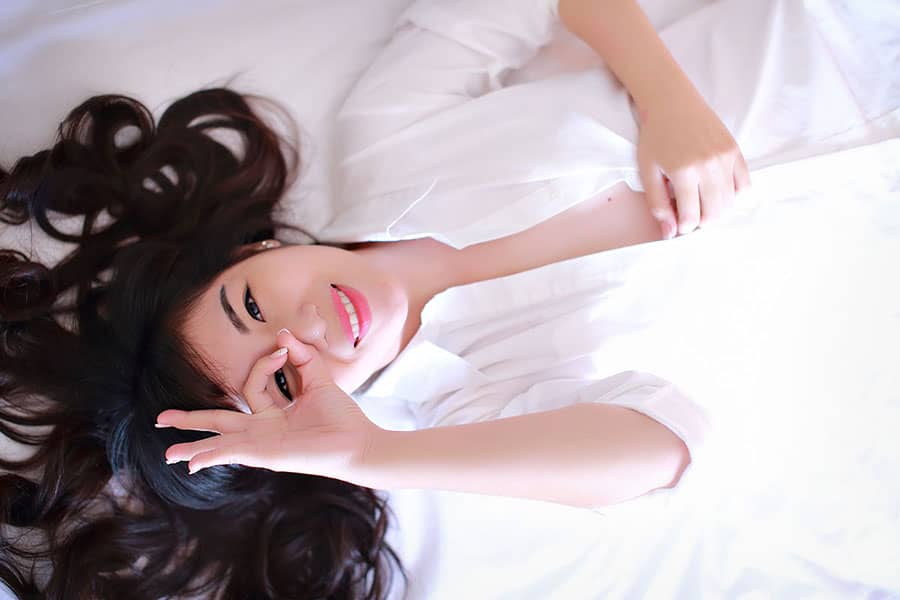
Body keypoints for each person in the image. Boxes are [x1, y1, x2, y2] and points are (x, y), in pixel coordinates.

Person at [0, 0, 750, 598]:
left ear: (251, 253)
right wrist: (371, 456)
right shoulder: (466, 403)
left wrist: (664, 95)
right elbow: (664, 447)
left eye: (253, 307)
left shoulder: (384, 139)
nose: (309, 327)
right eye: (283, 381)